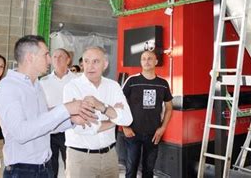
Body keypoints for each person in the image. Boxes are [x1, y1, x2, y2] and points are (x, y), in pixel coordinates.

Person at [0, 35, 97, 178]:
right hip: (23, 170)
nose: (49, 59)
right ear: (30, 57)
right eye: (46, 54)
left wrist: (71, 120)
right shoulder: (8, 88)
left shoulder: (36, 85)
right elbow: (21, 133)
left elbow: (43, 122)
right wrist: (65, 109)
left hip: (44, 167)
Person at [63, 46, 133, 178]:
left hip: (110, 157)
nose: (90, 66)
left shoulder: (113, 86)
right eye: (86, 61)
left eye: (96, 61)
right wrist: (114, 118)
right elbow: (82, 127)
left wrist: (102, 107)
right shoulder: (72, 87)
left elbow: (128, 119)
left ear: (105, 64)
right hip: (81, 158)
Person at [122, 50, 173, 178]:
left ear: (156, 62)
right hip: (132, 132)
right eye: (143, 59)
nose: (146, 61)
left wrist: (163, 128)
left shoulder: (163, 83)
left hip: (153, 133)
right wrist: (124, 127)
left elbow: (169, 108)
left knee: (149, 170)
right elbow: (119, 104)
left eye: (150, 58)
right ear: (140, 62)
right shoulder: (132, 81)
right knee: (131, 168)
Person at [39, 49, 77, 178]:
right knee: (50, 168)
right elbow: (41, 108)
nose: (57, 59)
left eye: (61, 56)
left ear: (68, 60)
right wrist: (66, 107)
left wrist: (56, 109)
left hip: (71, 130)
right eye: (54, 56)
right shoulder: (43, 82)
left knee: (72, 167)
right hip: (50, 131)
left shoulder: (77, 80)